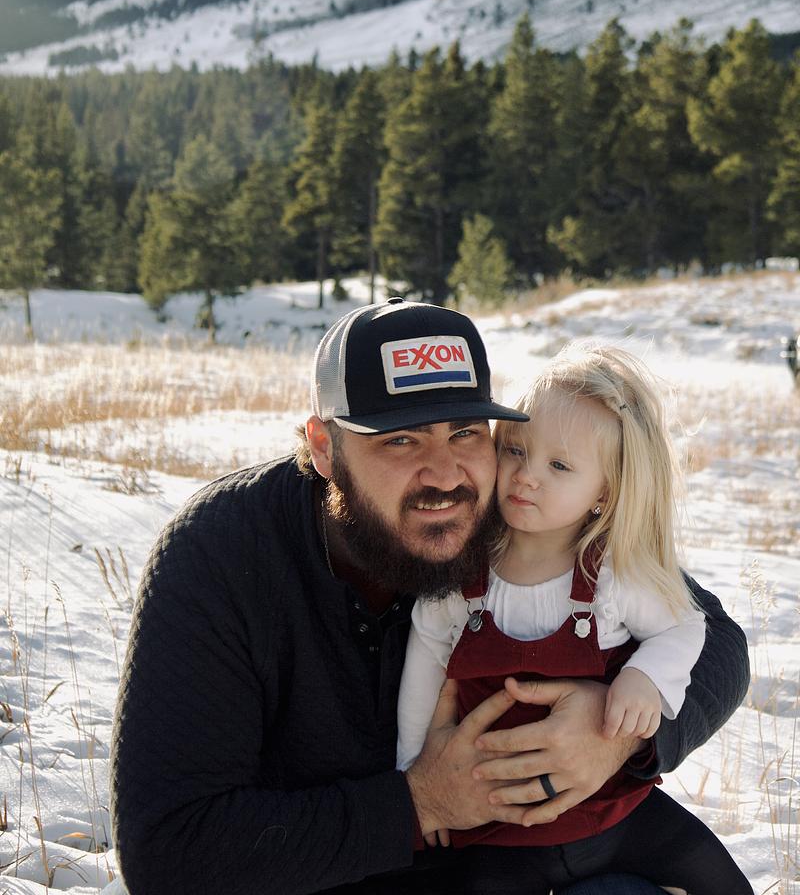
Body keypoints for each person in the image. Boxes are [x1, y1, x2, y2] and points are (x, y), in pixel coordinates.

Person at [110, 298, 750, 895]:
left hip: (521, 860)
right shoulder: (224, 552)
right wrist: (420, 804)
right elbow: (168, 849)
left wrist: (613, 736)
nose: (445, 475)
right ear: (326, 448)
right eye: (400, 439)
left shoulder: (509, 510)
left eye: (465, 431)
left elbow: (713, 636)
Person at [397, 344, 752, 893]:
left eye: (559, 465)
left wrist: (646, 678)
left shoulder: (613, 574)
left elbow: (685, 626)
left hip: (614, 811)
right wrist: (415, 777)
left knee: (716, 877)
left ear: (604, 491)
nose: (526, 476)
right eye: (516, 450)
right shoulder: (461, 577)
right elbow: (424, 661)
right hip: (499, 829)